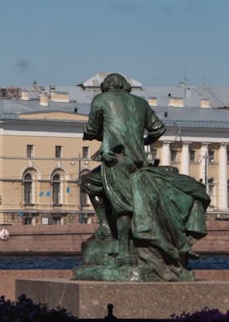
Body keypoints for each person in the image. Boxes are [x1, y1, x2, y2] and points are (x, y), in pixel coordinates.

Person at [79, 73, 209, 281]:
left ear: (106, 87)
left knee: (122, 205)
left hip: (115, 159)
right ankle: (106, 228)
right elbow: (158, 129)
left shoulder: (101, 100)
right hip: (139, 162)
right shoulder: (140, 102)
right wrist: (141, 141)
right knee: (94, 183)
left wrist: (101, 133)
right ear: (125, 87)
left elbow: (92, 128)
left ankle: (122, 251)